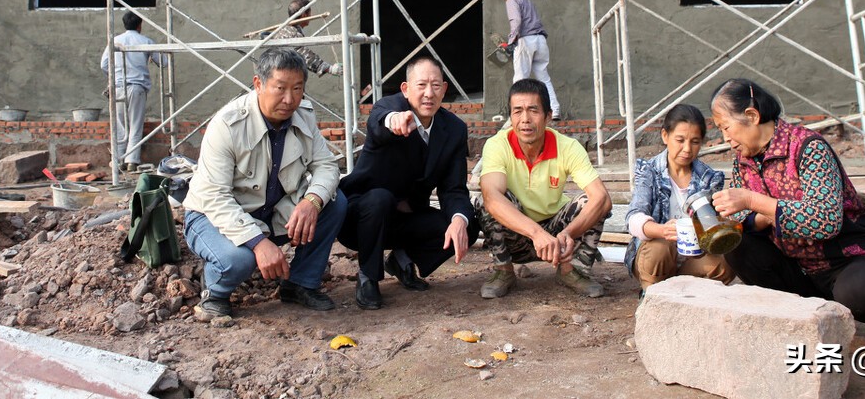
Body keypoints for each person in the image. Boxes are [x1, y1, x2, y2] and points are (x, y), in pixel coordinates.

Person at [709, 78, 865, 352]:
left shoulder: (808, 147)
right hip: (799, 267)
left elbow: (825, 221)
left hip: (849, 260)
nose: (725, 138)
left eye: (725, 127)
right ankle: (798, 320)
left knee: (861, 292)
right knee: (739, 246)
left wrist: (754, 200)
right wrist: (756, 212)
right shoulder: (743, 161)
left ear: (752, 116)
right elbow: (751, 220)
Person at [182, 47, 346, 320]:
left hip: (269, 211)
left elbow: (326, 166)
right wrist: (258, 243)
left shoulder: (303, 115)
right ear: (258, 84)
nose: (289, 99)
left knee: (334, 202)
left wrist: (311, 202)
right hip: (211, 215)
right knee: (239, 260)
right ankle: (215, 292)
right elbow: (216, 197)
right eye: (280, 88)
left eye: (297, 88)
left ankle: (299, 284)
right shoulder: (228, 125)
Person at [338, 55, 479, 309]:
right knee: (380, 199)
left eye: (436, 86)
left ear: (444, 89)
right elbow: (379, 119)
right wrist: (394, 121)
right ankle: (368, 276)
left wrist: (459, 219)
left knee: (467, 223)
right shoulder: (391, 108)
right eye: (421, 85)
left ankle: (402, 260)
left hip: (405, 218)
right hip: (361, 217)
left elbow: (453, 189)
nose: (428, 93)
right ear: (405, 89)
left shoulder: (454, 129)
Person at [475, 78, 612, 299]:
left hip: (558, 238)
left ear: (548, 116)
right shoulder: (497, 145)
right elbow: (491, 198)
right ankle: (504, 271)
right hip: (518, 234)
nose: (525, 120)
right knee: (486, 200)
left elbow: (602, 198)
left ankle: (571, 271)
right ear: (510, 116)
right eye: (517, 111)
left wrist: (568, 233)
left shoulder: (567, 147)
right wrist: (536, 233)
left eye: (533, 110)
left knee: (592, 202)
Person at [625, 104, 734, 292]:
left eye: (694, 142)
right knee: (660, 248)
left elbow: (713, 225)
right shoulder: (649, 170)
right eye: (680, 140)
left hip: (693, 260)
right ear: (665, 136)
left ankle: (689, 297)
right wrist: (662, 230)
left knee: (726, 262)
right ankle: (652, 295)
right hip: (656, 258)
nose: (687, 149)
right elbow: (633, 217)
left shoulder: (709, 178)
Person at [100, 11, 165, 169]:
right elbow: (164, 62)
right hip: (137, 87)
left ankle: (118, 160)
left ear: (124, 24)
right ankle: (132, 161)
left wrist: (115, 74)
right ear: (139, 25)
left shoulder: (114, 41)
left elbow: (104, 64)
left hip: (118, 87)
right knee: (135, 124)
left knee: (120, 125)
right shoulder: (146, 41)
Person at [498, 0, 561, 120]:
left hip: (526, 41)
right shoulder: (527, 1)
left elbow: (516, 21)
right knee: (544, 78)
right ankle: (555, 110)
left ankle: (514, 114)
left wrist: (510, 42)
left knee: (520, 79)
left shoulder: (511, 0)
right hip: (540, 40)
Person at [270, 0, 343, 77]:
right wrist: (329, 69)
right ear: (304, 15)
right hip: (282, 75)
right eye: (309, 13)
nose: (310, 16)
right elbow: (305, 55)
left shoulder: (286, 28)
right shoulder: (291, 32)